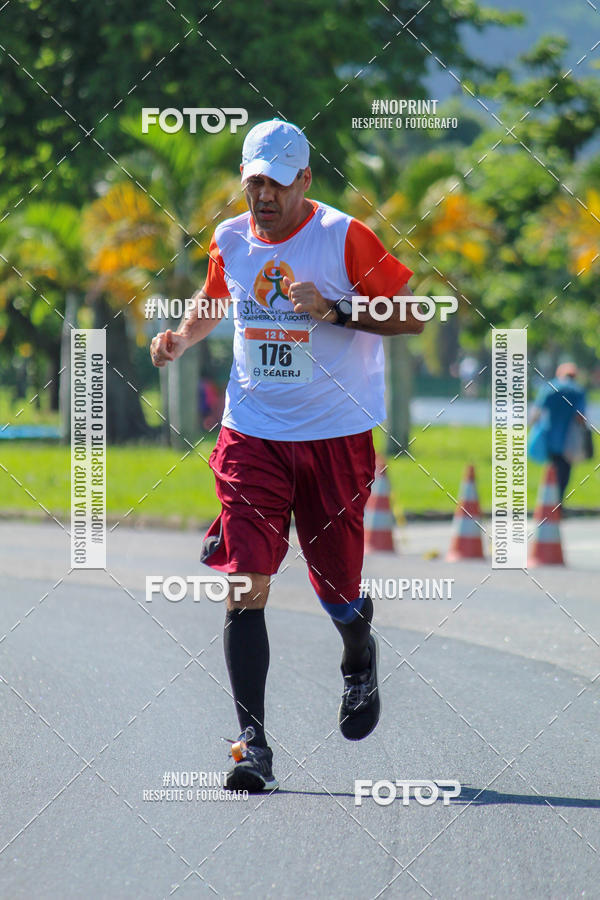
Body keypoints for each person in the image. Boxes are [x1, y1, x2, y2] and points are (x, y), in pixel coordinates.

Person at [150, 119, 423, 792]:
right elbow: (217, 297)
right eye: (253, 181)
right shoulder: (231, 238)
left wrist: (335, 309)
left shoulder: (342, 236)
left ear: (304, 180)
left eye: (275, 182)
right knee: (247, 582)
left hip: (336, 438)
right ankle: (254, 746)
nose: (262, 195)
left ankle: (359, 655)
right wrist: (182, 338)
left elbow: (413, 314)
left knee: (336, 591)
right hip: (253, 434)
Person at [530, 362, 587, 504]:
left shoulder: (550, 388)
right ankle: (558, 503)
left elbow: (536, 412)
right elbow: (580, 417)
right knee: (564, 473)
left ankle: (547, 501)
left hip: (549, 437)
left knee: (551, 470)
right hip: (568, 440)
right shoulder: (577, 391)